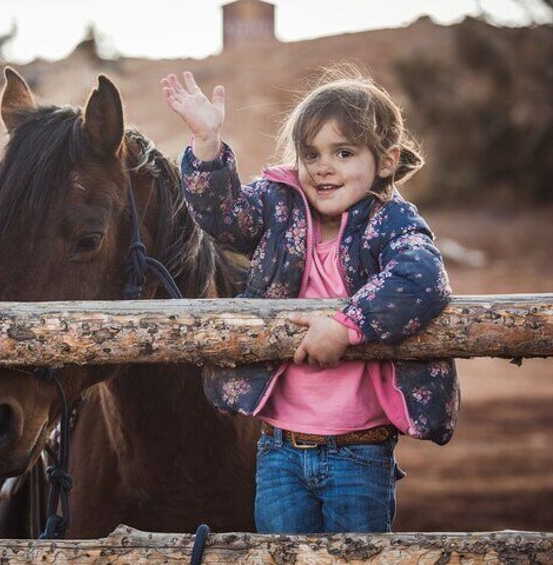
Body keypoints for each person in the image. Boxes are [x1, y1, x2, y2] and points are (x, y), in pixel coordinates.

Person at [161, 68, 459, 534]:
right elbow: (222, 221)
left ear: (385, 161)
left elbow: (422, 277)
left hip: (359, 451)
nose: (323, 166)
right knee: (280, 556)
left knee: (353, 559)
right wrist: (207, 142)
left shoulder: (391, 221)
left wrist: (346, 326)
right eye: (311, 153)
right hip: (278, 449)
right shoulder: (277, 204)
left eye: (343, 153)